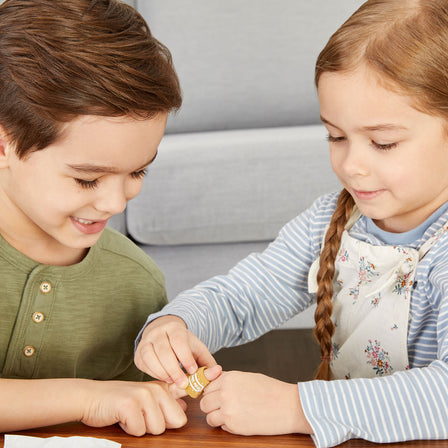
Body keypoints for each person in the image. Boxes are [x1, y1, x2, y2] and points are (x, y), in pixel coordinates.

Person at [134, 0, 448, 445]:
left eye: (382, 143)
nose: (351, 165)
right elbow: (243, 295)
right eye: (335, 137)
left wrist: (296, 406)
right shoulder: (330, 220)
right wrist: (176, 325)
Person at [0, 0, 223, 437]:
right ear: (5, 144)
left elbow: (139, 413)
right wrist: (91, 397)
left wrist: (161, 396)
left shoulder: (134, 284)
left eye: (138, 171)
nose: (116, 203)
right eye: (87, 179)